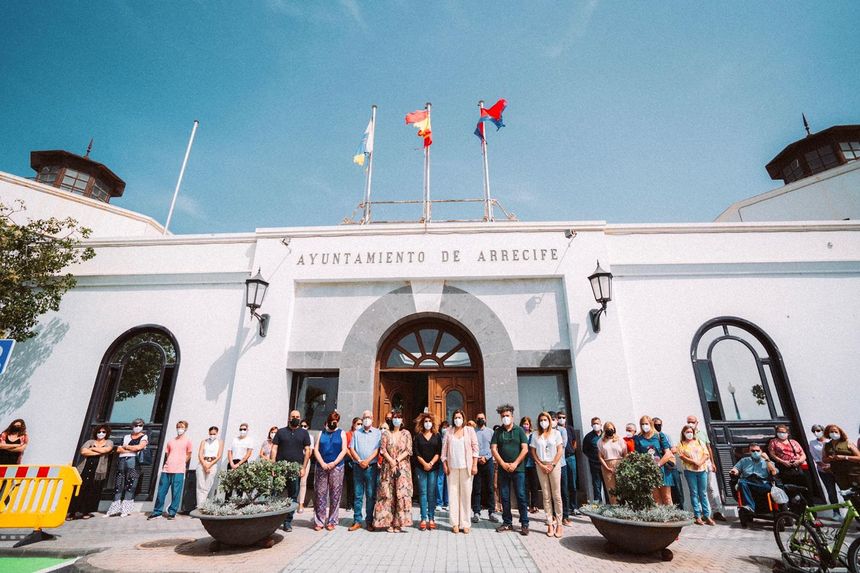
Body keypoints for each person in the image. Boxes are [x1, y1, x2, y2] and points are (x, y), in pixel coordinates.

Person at [491, 404, 529, 536]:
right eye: (503, 416)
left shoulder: (519, 431)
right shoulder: (498, 432)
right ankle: (507, 522)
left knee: (521, 496)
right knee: (505, 497)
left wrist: (515, 463)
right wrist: (502, 463)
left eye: (507, 416)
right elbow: (494, 449)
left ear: (512, 416)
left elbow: (525, 449)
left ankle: (524, 523)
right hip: (503, 470)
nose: (505, 418)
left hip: (518, 470)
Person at [271, 410, 311, 532]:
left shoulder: (304, 433)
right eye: (293, 416)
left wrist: (303, 468)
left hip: (295, 469)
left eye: (297, 417)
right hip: (280, 469)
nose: (295, 418)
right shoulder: (281, 432)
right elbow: (274, 449)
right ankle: (273, 521)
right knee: (275, 494)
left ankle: (288, 522)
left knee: (293, 496)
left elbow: (308, 451)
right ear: (289, 418)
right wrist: (273, 466)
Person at [374, 410, 413, 532]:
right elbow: (383, 449)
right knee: (388, 494)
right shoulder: (386, 433)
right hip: (388, 467)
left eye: (399, 417)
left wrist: (396, 460)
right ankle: (388, 522)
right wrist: (391, 461)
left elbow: (408, 450)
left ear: (402, 420)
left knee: (401, 494)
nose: (396, 419)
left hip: (402, 468)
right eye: (395, 417)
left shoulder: (406, 433)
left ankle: (399, 523)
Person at [441, 409, 478, 533]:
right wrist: (445, 465)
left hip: (466, 467)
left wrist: (474, 465)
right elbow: (444, 451)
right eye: (455, 417)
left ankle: (465, 523)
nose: (457, 420)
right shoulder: (448, 432)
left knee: (466, 495)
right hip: (452, 468)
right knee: (453, 495)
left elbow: (475, 448)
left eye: (459, 417)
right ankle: (455, 523)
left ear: (463, 418)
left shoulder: (470, 431)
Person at [149, 420, 193, 520]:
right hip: (167, 469)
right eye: (178, 427)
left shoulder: (188, 441)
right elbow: (167, 454)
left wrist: (182, 462)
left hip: (179, 471)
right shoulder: (171, 441)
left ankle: (172, 512)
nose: (180, 429)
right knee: (161, 492)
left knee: (176, 493)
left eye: (182, 427)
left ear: (185, 428)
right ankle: (157, 512)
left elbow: (189, 454)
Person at [68, 425, 114, 520]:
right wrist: (99, 451)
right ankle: (72, 513)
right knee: (79, 489)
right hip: (85, 468)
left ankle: (86, 512)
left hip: (97, 470)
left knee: (92, 491)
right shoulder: (90, 441)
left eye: (103, 432)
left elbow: (107, 449)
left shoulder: (109, 442)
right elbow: (84, 451)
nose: (101, 434)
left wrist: (92, 449)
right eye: (99, 432)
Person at [530, 412, 564, 538]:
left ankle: (559, 523)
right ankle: (550, 522)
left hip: (554, 465)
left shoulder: (556, 433)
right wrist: (540, 464)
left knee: (556, 495)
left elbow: (560, 449)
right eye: (541, 420)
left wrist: (553, 464)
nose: (543, 422)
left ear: (550, 421)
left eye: (545, 419)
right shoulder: (535, 434)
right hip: (541, 465)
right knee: (546, 495)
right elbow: (533, 451)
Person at [686, 414, 726, 521]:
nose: (690, 424)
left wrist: (712, 463)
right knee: (695, 490)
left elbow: (709, 449)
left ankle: (716, 511)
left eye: (692, 421)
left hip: (705, 464)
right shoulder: (686, 434)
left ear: (697, 423)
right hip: (693, 465)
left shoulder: (702, 434)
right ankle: (699, 513)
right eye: (688, 421)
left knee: (708, 488)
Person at [106, 418, 148, 517]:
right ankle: (114, 509)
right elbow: (118, 449)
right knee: (119, 484)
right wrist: (130, 448)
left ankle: (126, 510)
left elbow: (139, 447)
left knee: (131, 484)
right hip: (122, 461)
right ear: (132, 426)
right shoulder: (126, 436)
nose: (138, 427)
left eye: (140, 425)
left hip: (133, 462)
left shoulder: (144, 436)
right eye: (136, 425)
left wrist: (127, 447)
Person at [313, 411, 347, 531]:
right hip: (322, 466)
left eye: (336, 422)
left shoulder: (341, 433)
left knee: (335, 494)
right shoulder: (321, 433)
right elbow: (316, 450)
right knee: (320, 494)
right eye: (332, 421)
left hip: (336, 467)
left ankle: (332, 520)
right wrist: (322, 463)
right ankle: (319, 520)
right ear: (328, 421)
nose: (334, 423)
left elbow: (344, 450)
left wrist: (334, 463)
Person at [348, 410, 381, 531]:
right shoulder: (356, 433)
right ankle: (357, 520)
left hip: (371, 467)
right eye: (365, 417)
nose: (367, 419)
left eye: (369, 417)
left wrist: (367, 461)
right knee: (358, 495)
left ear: (372, 418)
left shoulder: (377, 433)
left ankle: (369, 521)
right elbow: (351, 448)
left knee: (371, 495)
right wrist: (360, 460)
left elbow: (377, 449)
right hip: (358, 467)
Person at [634, 415, 674, 505]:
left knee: (667, 497)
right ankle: (659, 518)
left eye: (646, 423)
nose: (645, 426)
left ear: (651, 424)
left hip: (663, 469)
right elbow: (637, 456)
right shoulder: (638, 438)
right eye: (642, 424)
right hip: (649, 472)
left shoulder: (659, 435)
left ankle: (672, 517)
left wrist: (658, 465)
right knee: (655, 499)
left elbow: (668, 453)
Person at [677, 424, 713, 525]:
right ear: (684, 433)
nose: (689, 434)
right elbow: (681, 456)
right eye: (687, 432)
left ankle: (707, 515)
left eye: (691, 432)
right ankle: (697, 516)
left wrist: (700, 463)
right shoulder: (681, 443)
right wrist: (694, 462)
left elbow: (706, 454)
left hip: (702, 469)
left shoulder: (699, 441)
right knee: (694, 493)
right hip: (690, 470)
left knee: (703, 493)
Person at [730, 443, 778, 513]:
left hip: (763, 484)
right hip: (748, 482)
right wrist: (734, 471)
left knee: (743, 483)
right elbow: (736, 468)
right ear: (749, 452)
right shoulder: (744, 460)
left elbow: (774, 472)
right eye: (753, 451)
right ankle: (750, 507)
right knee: (741, 482)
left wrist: (767, 459)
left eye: (757, 450)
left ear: (761, 451)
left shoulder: (767, 461)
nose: (755, 452)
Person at [414, 412, 442, 531]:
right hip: (421, 468)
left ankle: (432, 518)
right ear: (422, 423)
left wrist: (430, 463)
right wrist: (424, 464)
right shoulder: (418, 436)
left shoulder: (437, 436)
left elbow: (439, 452)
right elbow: (416, 452)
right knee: (423, 493)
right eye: (425, 421)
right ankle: (423, 518)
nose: (427, 423)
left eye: (429, 421)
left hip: (433, 468)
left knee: (431, 493)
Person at [471, 412, 499, 523]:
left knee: (490, 487)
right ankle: (476, 512)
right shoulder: (472, 432)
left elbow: (493, 447)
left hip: (488, 462)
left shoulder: (491, 432)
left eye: (482, 418)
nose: (480, 420)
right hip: (476, 462)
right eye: (478, 418)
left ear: (485, 420)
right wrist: (477, 458)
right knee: (476, 488)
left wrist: (486, 458)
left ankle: (491, 512)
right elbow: (470, 447)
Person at [809, 424, 840, 519]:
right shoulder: (812, 443)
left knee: (844, 490)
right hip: (824, 471)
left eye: (818, 430)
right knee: (831, 492)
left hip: (836, 469)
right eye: (814, 431)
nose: (816, 433)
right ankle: (836, 513)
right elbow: (815, 458)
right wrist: (824, 466)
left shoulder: (830, 441)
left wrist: (832, 466)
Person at [653, 416, 684, 509]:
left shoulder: (665, 436)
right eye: (655, 425)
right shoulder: (650, 437)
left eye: (659, 424)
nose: (657, 426)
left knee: (676, 490)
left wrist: (666, 452)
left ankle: (680, 511)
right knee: (659, 494)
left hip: (669, 466)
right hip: (659, 466)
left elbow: (673, 449)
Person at [768, 424, 810, 491]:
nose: (782, 434)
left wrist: (799, 461)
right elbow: (772, 454)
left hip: (798, 465)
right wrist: (783, 462)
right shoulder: (773, 442)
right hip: (785, 466)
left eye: (783, 432)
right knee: (790, 485)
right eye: (779, 432)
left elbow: (803, 454)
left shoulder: (793, 442)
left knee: (805, 483)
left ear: (787, 433)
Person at [822, 424, 860, 492]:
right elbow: (824, 459)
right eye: (831, 432)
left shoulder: (847, 442)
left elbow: (859, 458)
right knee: (848, 495)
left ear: (840, 433)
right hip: (839, 475)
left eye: (836, 432)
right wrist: (830, 459)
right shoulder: (826, 445)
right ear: (828, 433)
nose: (834, 433)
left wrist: (844, 457)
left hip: (853, 473)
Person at [597, 421, 627, 505]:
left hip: (619, 463)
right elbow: (600, 456)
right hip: (607, 465)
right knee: (611, 488)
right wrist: (607, 467)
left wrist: (622, 465)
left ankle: (624, 507)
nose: (610, 430)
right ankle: (614, 507)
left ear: (614, 429)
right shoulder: (601, 441)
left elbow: (625, 454)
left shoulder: (620, 440)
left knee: (622, 487)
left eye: (611, 428)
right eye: (607, 429)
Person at [559, 410, 579, 519]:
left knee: (573, 483)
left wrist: (571, 450)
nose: (561, 419)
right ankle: (564, 507)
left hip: (570, 457)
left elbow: (574, 441)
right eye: (560, 417)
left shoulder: (570, 429)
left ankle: (574, 506)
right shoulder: (556, 430)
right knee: (563, 484)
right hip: (560, 459)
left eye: (563, 417)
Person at [196, 426, 223, 506]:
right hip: (202, 463)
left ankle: (204, 505)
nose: (212, 435)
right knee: (200, 485)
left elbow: (219, 455)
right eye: (211, 433)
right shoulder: (204, 441)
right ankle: (199, 506)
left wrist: (209, 465)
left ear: (217, 433)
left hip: (212, 464)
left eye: (214, 434)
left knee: (207, 485)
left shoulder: (220, 442)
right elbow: (200, 454)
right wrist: (204, 464)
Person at [521, 416, 541, 513]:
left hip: (532, 463)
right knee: (525, 485)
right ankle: (526, 505)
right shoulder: (520, 434)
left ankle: (534, 505)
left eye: (527, 424)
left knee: (534, 485)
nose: (526, 426)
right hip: (523, 463)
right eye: (524, 424)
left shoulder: (533, 435)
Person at [582, 417, 605, 502]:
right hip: (594, 465)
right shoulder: (588, 437)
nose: (596, 425)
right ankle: (598, 505)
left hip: (606, 465)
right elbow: (585, 450)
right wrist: (592, 458)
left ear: (601, 424)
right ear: (591, 425)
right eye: (594, 424)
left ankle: (610, 505)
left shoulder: (605, 435)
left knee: (607, 486)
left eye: (597, 423)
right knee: (596, 486)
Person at [343, 416, 361, 511]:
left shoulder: (362, 434)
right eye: (358, 424)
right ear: (353, 424)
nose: (359, 426)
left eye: (361, 424)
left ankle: (355, 504)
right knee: (350, 483)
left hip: (359, 461)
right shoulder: (348, 434)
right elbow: (346, 448)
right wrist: (352, 457)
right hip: (350, 461)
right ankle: (348, 504)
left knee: (357, 484)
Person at [297, 419, 315, 512]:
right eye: (301, 426)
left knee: (303, 482)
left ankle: (301, 504)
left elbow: (310, 451)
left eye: (305, 426)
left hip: (305, 461)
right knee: (294, 482)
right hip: (295, 460)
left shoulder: (310, 437)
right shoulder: (296, 435)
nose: (303, 428)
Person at [437, 420, 450, 511]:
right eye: (443, 427)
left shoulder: (451, 437)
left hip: (450, 462)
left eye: (447, 427)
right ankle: (439, 502)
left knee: (448, 482)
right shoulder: (438, 437)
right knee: (439, 482)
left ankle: (448, 502)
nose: (445, 429)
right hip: (440, 462)